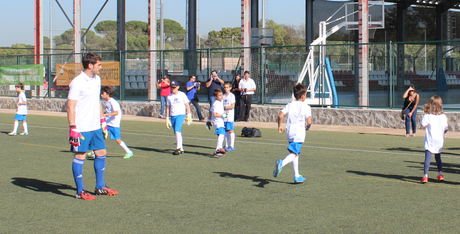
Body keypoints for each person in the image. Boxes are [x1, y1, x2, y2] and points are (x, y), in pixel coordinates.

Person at [67, 53, 118, 200]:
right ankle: (80, 191)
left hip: (95, 126)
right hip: (81, 127)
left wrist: (102, 121)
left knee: (101, 152)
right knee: (80, 155)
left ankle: (100, 187)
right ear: (90, 65)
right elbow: (70, 107)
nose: (101, 68)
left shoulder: (97, 79)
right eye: (99, 65)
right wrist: (72, 128)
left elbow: (96, 102)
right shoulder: (77, 82)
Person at [273, 84, 312, 183]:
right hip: (299, 134)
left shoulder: (290, 104)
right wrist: (308, 126)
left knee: (295, 153)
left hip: (290, 132)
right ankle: (282, 163)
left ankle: (297, 175)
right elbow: (309, 121)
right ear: (303, 96)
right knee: (294, 153)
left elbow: (280, 115)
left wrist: (279, 126)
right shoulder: (306, 107)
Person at [420, 95, 448, 184]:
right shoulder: (443, 116)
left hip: (430, 139)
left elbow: (423, 125)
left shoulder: (428, 115)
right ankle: (440, 174)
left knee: (428, 158)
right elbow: (446, 129)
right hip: (439, 140)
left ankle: (425, 176)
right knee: (438, 157)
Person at [101, 86, 134, 159]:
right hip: (107, 122)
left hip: (114, 124)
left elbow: (116, 112)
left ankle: (129, 152)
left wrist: (106, 114)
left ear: (107, 93)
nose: (101, 95)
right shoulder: (106, 101)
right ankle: (94, 152)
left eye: (102, 93)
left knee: (118, 140)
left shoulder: (113, 102)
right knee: (100, 135)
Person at [165, 80, 192, 155]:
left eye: (174, 87)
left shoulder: (182, 95)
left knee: (177, 130)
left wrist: (189, 114)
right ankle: (181, 148)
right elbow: (168, 107)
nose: (172, 89)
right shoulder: (169, 97)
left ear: (178, 87)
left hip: (180, 114)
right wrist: (167, 117)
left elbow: (187, 105)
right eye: (171, 87)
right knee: (177, 132)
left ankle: (178, 148)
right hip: (173, 115)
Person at [210, 88, 226, 157]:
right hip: (218, 122)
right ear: (215, 97)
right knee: (222, 134)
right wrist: (223, 115)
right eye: (219, 95)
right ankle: (218, 149)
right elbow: (215, 114)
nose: (221, 96)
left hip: (220, 121)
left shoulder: (219, 103)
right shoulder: (216, 104)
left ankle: (218, 150)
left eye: (222, 95)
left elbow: (211, 111)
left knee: (221, 135)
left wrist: (224, 114)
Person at [223, 82, 236, 151]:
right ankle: (226, 145)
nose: (226, 89)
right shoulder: (223, 96)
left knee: (231, 130)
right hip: (225, 115)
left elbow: (232, 106)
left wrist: (225, 107)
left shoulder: (232, 96)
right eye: (225, 87)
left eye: (227, 87)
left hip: (230, 115)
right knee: (226, 130)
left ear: (230, 88)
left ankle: (232, 146)